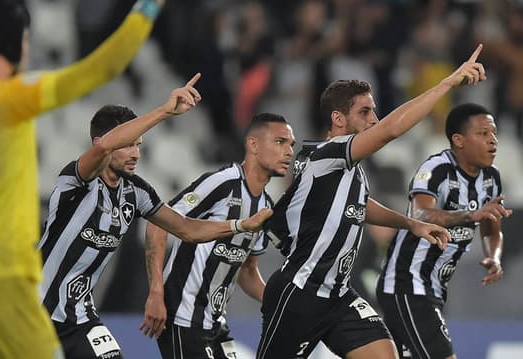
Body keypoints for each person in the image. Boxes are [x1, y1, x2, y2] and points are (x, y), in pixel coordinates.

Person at [0, 0, 165, 357]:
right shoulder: (12, 97)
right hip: (6, 288)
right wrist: (149, 6)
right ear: (14, 43)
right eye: (25, 38)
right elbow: (105, 66)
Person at [256, 44, 487, 359]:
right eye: (364, 112)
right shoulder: (326, 156)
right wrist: (448, 83)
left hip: (339, 296)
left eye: (374, 110)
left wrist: (411, 224)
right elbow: (391, 130)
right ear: (338, 119)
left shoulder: (350, 169)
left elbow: (359, 206)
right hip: (300, 293)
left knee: (383, 353)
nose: (374, 119)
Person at [38, 74, 273, 359]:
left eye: (138, 145)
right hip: (34, 310)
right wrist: (164, 111)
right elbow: (102, 150)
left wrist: (238, 225)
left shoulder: (135, 192)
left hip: (80, 317)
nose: (136, 153)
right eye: (128, 145)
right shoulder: (76, 183)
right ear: (103, 141)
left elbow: (186, 229)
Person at [140, 113, 296, 358]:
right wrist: (156, 293)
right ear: (253, 145)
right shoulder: (222, 183)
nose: (288, 151)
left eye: (291, 145)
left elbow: (247, 271)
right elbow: (158, 223)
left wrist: (280, 302)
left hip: (215, 324)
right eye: (280, 142)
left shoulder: (266, 206)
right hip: (182, 318)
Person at [376, 103, 511, 359]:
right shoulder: (436, 169)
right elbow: (420, 215)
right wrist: (471, 215)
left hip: (434, 288)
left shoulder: (491, 178)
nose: (493, 141)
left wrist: (493, 256)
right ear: (458, 140)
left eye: (494, 134)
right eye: (483, 134)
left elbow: (492, 229)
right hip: (407, 284)